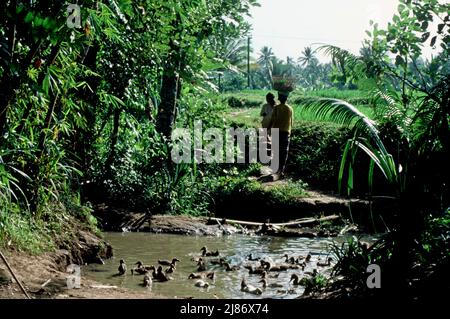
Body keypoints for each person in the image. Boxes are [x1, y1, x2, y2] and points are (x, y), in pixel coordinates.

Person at [269, 91, 293, 178]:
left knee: (275, 151)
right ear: (286, 99)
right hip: (285, 132)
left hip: (276, 132)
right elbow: (291, 122)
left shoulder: (276, 108)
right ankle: (281, 171)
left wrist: (268, 128)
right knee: (283, 152)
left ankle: (276, 169)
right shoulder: (290, 108)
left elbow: (272, 120)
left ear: (279, 98)